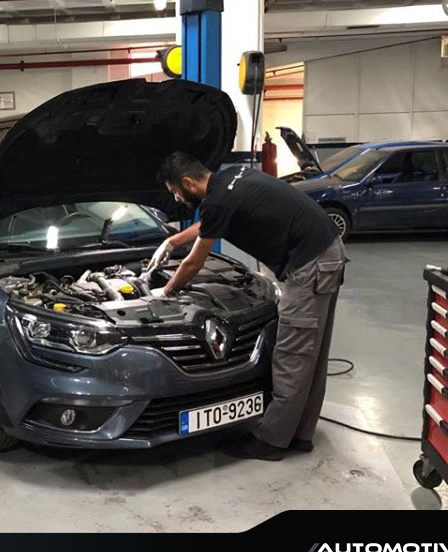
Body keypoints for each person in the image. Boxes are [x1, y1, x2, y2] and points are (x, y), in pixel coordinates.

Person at [146, 152, 347, 461]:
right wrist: (171, 242)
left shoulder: (217, 201)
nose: (176, 198)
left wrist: (165, 289)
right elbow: (208, 225)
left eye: (174, 191)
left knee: (292, 354)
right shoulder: (230, 178)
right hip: (325, 251)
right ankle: (301, 434)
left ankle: (273, 440)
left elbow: (195, 262)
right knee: (312, 353)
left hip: (309, 265)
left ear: (187, 182)